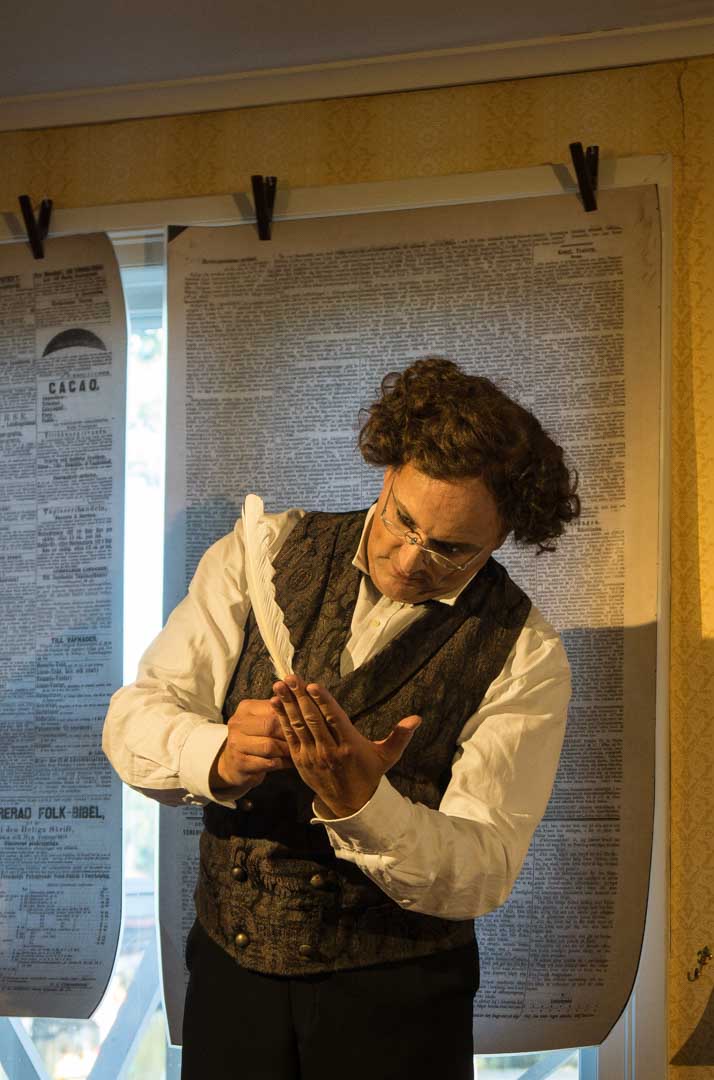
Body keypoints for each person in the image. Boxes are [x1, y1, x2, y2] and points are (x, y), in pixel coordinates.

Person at [103, 356, 580, 1080]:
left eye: (451, 549)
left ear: (502, 536)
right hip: (233, 980)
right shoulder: (260, 553)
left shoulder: (526, 652)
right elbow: (134, 718)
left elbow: (484, 868)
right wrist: (218, 754)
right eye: (404, 520)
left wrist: (365, 802)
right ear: (388, 474)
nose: (411, 559)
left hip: (402, 1005)